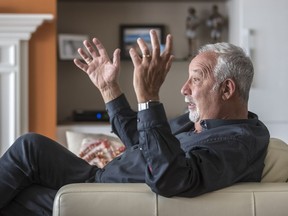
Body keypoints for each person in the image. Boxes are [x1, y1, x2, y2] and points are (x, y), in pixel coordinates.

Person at [0, 30, 269, 216]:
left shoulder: (239, 143)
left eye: (196, 79)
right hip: (98, 177)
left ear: (227, 89)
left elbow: (171, 179)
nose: (184, 89)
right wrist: (109, 88)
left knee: (20, 197)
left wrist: (149, 99)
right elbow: (142, 142)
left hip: (106, 197)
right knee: (30, 146)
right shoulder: (201, 122)